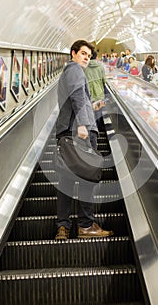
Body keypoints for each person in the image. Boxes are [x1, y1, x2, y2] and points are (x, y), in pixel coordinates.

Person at [55, 39, 114, 240]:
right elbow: (78, 95)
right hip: (79, 133)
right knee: (88, 176)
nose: (86, 59)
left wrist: (91, 106)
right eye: (83, 54)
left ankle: (63, 226)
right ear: (73, 53)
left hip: (68, 132)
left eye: (89, 56)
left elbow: (78, 98)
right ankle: (86, 225)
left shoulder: (70, 71)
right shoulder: (74, 70)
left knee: (66, 179)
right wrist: (82, 123)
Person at [84, 50, 106, 131]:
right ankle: (99, 128)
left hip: (88, 94)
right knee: (98, 112)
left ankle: (92, 129)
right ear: (96, 57)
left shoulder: (84, 67)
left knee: (89, 112)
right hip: (99, 93)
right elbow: (104, 80)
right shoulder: (100, 67)